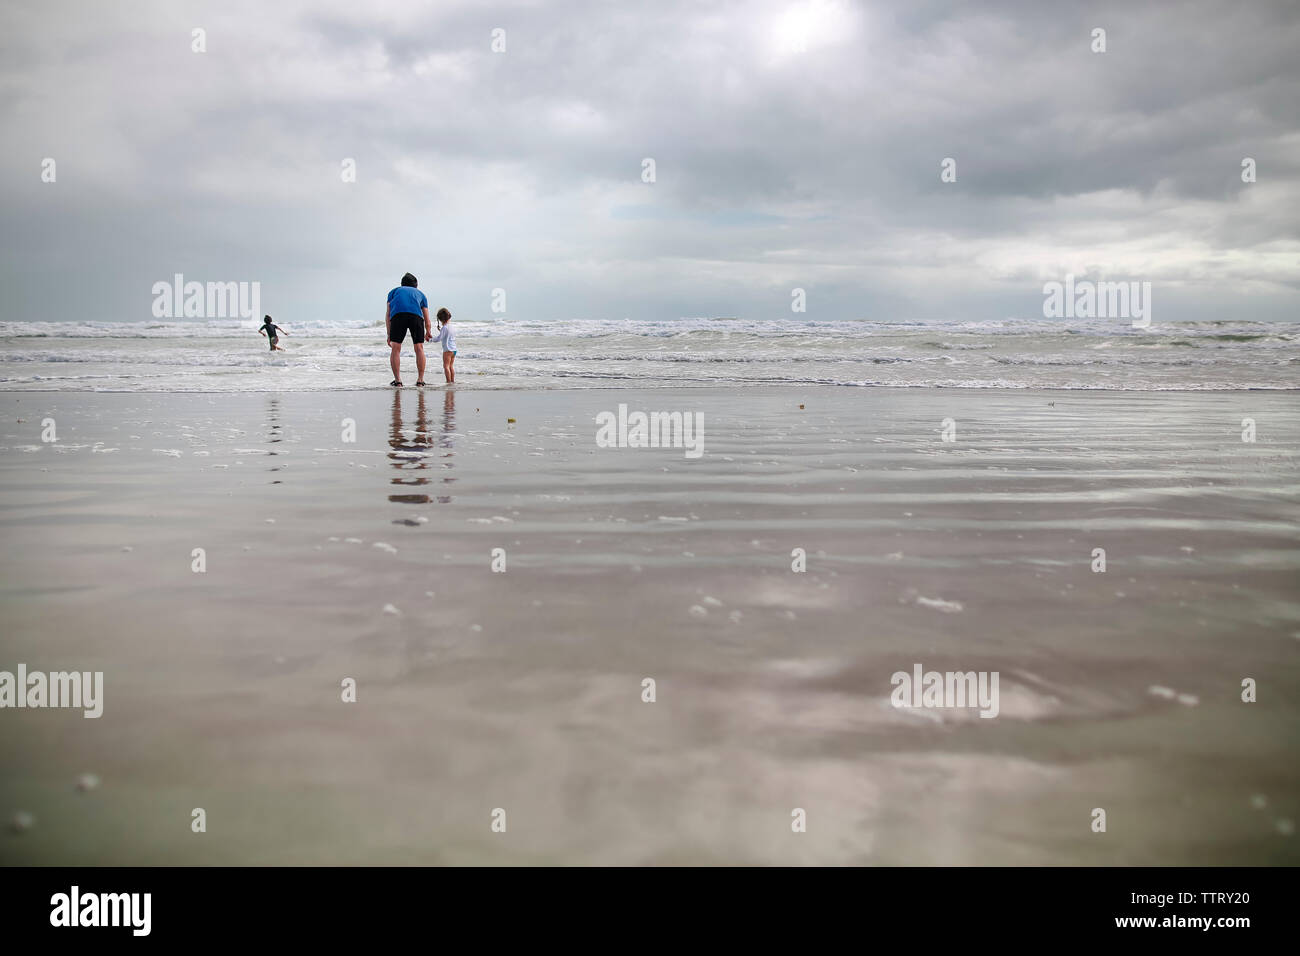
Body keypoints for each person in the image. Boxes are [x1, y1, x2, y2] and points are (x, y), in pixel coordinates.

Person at [386, 273, 431, 386]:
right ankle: (420, 380)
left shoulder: (393, 292)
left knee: (396, 348)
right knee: (419, 348)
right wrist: (428, 331)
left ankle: (398, 381)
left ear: (402, 284)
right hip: (416, 317)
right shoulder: (421, 294)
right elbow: (426, 316)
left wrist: (389, 334)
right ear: (416, 285)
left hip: (398, 316)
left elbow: (388, 315)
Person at [434, 307, 456, 383]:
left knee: (446, 366)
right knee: (451, 366)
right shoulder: (451, 327)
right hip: (454, 350)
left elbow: (439, 338)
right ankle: (452, 381)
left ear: (440, 319)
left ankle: (448, 381)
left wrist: (430, 339)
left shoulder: (444, 328)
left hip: (447, 350)